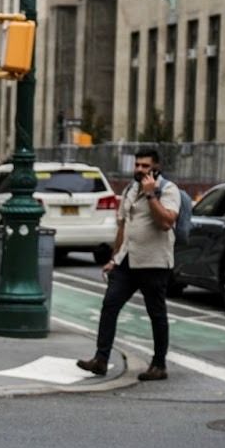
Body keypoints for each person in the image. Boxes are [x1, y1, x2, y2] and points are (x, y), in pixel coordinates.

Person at [76, 148, 182, 382]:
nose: (140, 169)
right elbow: (123, 226)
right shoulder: (129, 190)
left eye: (145, 166)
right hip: (127, 261)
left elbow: (166, 222)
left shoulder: (168, 190)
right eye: (137, 165)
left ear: (156, 168)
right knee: (109, 305)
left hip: (154, 262)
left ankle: (159, 364)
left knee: (156, 313)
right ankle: (101, 359)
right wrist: (114, 258)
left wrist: (152, 195)